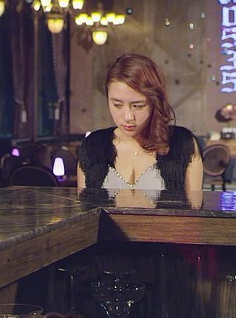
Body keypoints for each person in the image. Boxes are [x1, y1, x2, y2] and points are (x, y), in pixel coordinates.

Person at [76, 53, 204, 207]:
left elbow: (193, 214)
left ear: (154, 101)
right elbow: (85, 211)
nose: (128, 117)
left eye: (138, 106)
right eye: (117, 105)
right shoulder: (93, 146)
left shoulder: (183, 144)